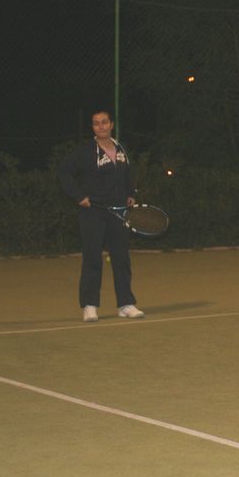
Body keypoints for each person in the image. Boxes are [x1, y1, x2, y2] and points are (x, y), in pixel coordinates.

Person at [57, 109, 145, 322]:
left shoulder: (120, 148)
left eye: (104, 122)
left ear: (111, 124)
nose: (101, 126)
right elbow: (64, 173)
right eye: (96, 123)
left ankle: (126, 304)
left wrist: (130, 194)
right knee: (92, 258)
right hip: (93, 212)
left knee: (121, 258)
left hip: (118, 212)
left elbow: (127, 174)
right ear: (93, 128)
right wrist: (79, 195)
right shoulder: (85, 150)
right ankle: (89, 306)